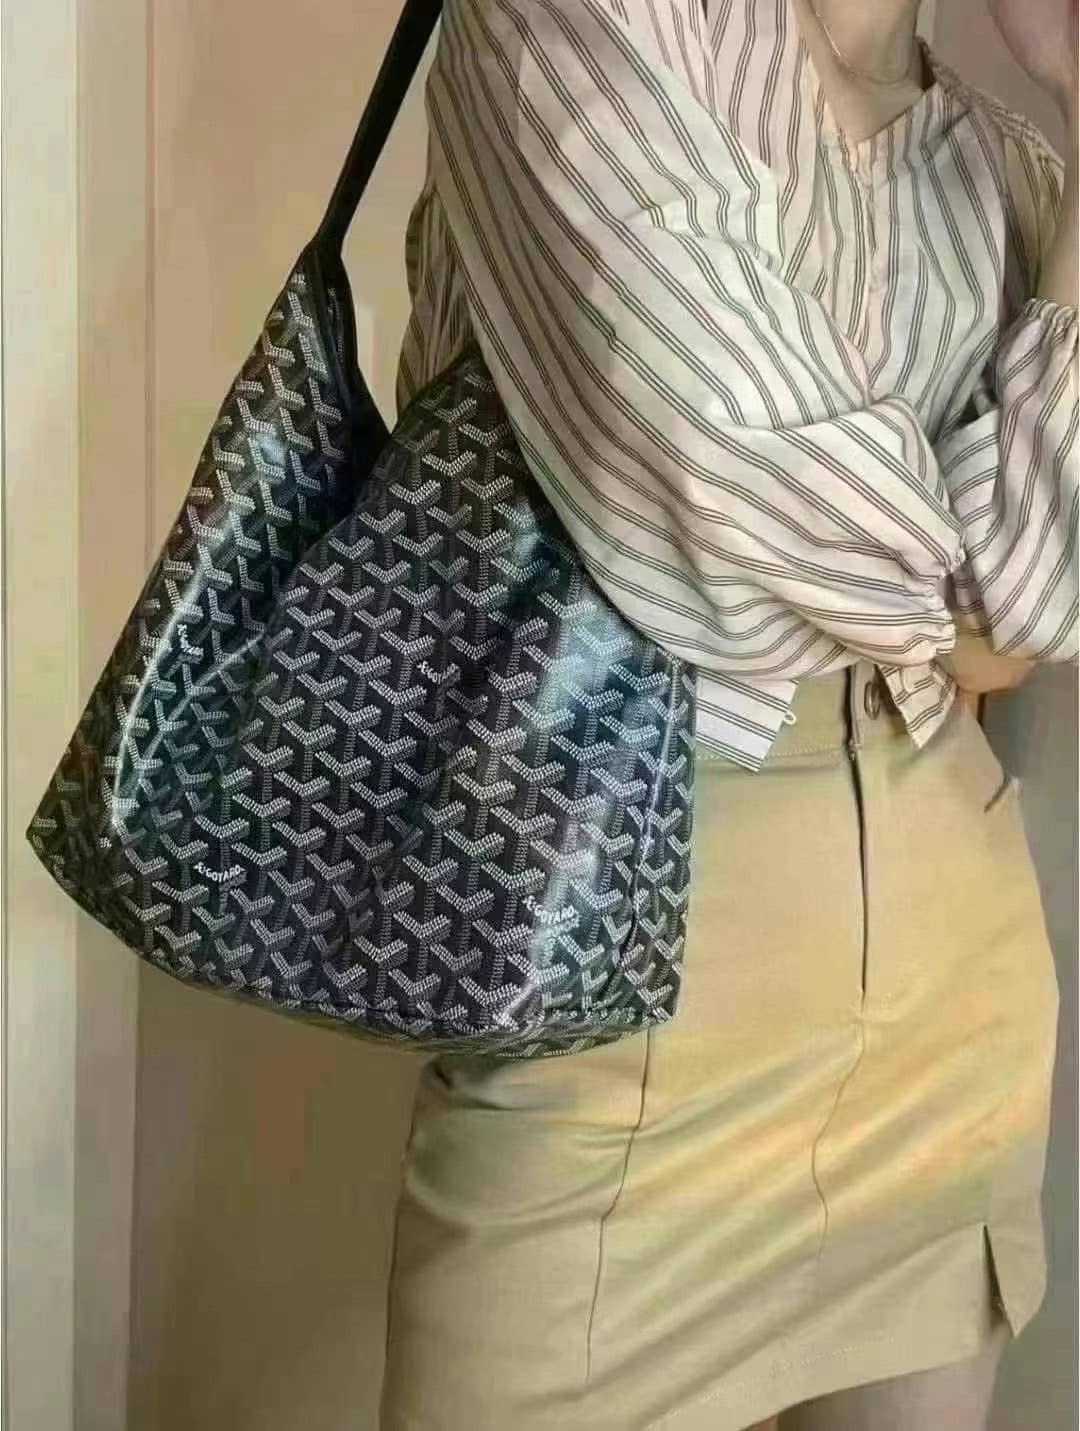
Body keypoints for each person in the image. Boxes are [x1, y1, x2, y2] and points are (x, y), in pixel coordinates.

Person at [379, 1, 1079, 1427]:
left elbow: (1025, 609)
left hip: (951, 1018)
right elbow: (755, 509)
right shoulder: (575, 26)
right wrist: (972, 589)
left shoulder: (1011, 168)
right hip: (611, 1011)